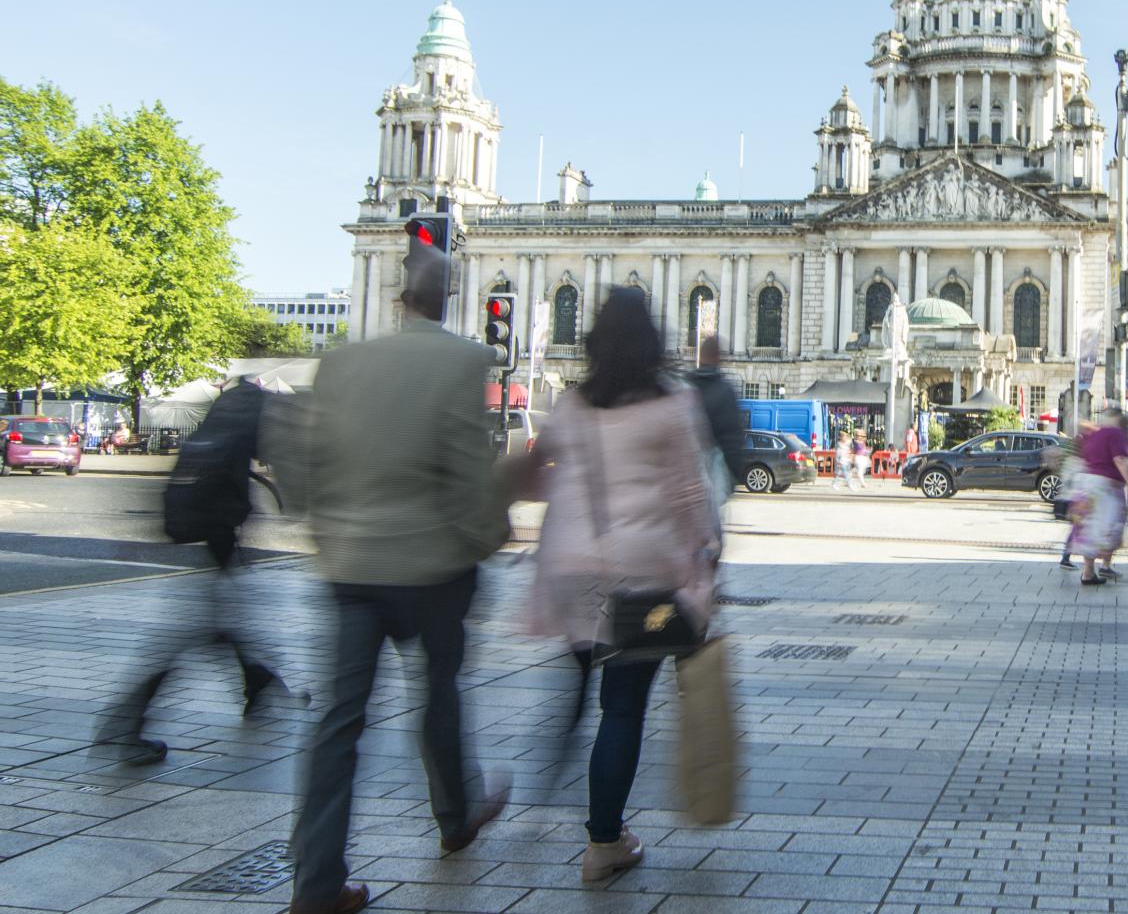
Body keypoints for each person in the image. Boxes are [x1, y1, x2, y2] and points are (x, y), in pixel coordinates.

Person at [289, 247, 511, 914]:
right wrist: (487, 541)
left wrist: (328, 536)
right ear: (449, 297)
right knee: (439, 694)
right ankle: (454, 817)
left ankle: (316, 881)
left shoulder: (341, 362)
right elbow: (469, 472)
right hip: (432, 565)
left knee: (336, 723)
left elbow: (308, 465)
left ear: (398, 295)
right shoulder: (465, 360)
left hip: (351, 565)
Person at [514, 287, 720, 884]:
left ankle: (549, 776)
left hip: (572, 569)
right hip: (642, 576)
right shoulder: (671, 405)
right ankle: (603, 839)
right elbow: (689, 497)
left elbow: (535, 472)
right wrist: (706, 559)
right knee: (623, 708)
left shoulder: (574, 404)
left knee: (578, 686)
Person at [100, 376, 301, 763]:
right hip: (220, 523)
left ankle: (256, 682)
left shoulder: (227, 407)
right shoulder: (254, 407)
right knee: (196, 631)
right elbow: (272, 454)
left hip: (211, 520)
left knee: (217, 621)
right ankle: (125, 725)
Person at [1066, 408, 1128, 583]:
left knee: (1089, 527)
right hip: (1107, 486)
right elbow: (1120, 460)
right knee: (1110, 525)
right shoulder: (1115, 434)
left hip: (1087, 483)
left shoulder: (1093, 435)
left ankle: (1088, 572)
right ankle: (1105, 563)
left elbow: (1082, 458)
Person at [688, 337, 749, 505]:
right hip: (714, 479)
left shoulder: (685, 386)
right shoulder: (725, 391)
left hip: (686, 480)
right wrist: (731, 480)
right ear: (718, 358)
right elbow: (734, 440)